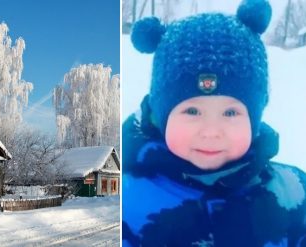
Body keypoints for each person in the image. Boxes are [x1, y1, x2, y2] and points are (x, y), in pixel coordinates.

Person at [122, 0, 306, 246]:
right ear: (161, 117)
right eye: (192, 111)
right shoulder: (125, 201)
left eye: (230, 113)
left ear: (254, 119)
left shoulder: (294, 193)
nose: (210, 132)